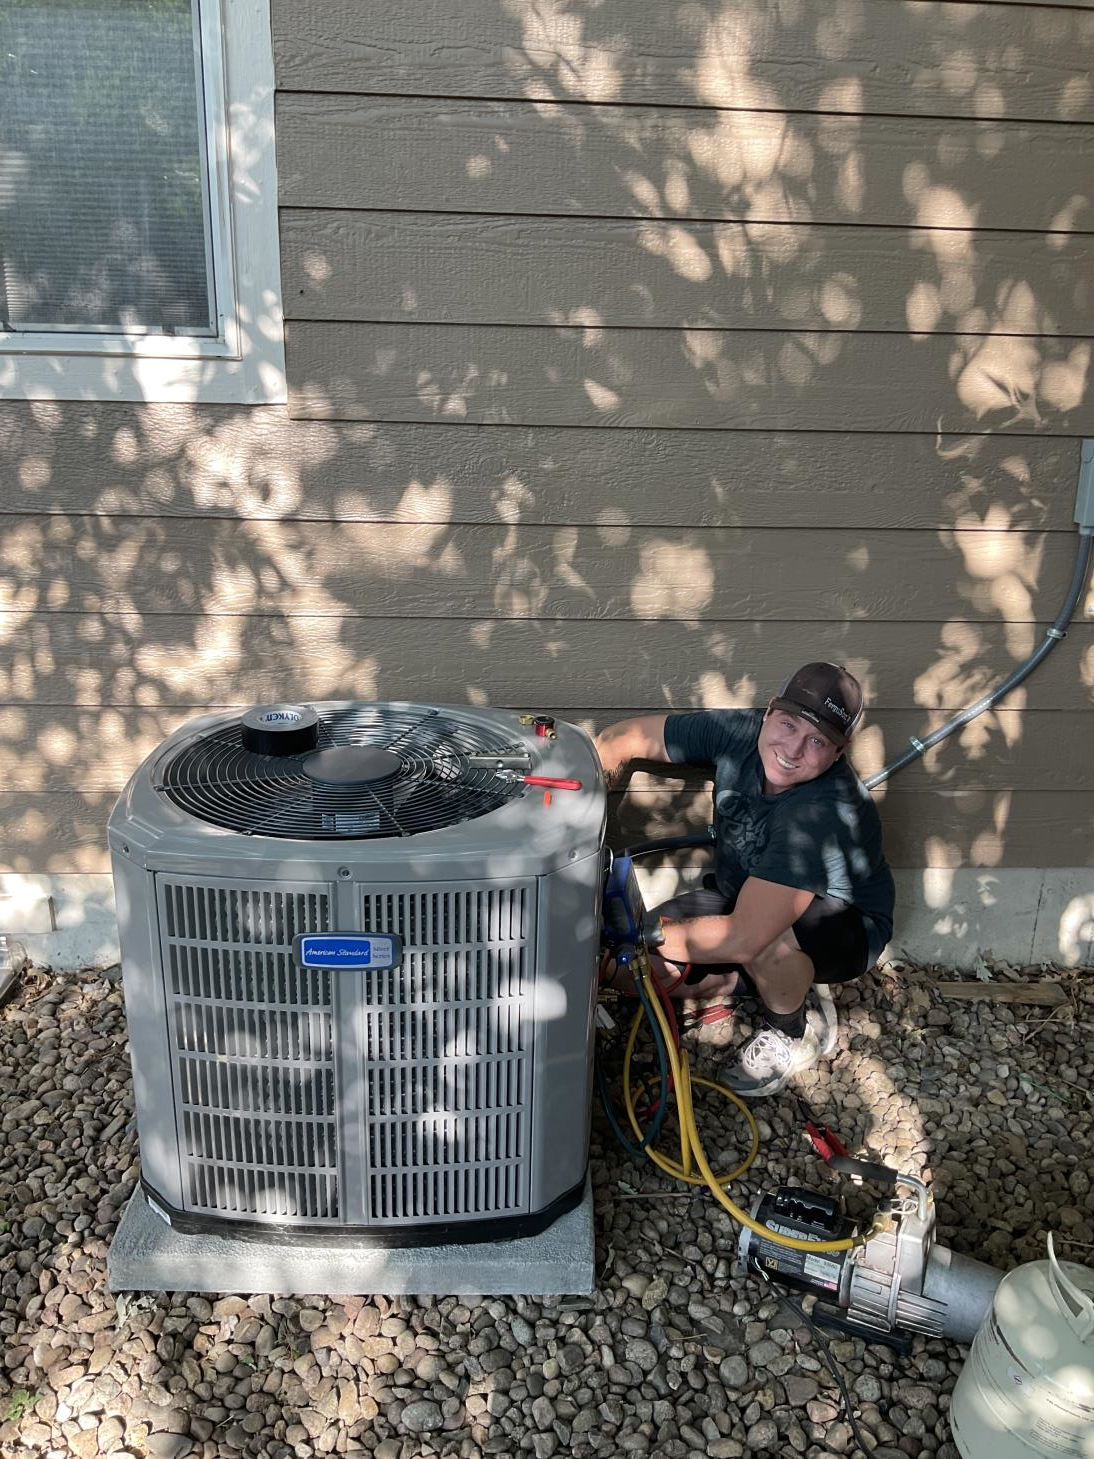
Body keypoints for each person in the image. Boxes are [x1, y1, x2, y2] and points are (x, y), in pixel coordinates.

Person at [593, 662, 895, 1097]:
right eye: (788, 725)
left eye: (816, 741)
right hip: (744, 896)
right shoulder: (737, 732)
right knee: (622, 972)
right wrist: (581, 819)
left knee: (764, 943)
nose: (793, 749)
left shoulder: (823, 812)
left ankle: (791, 1028)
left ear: (838, 752)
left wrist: (635, 936)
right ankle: (765, 983)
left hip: (843, 922)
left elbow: (744, 936)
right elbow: (621, 738)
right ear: (769, 712)